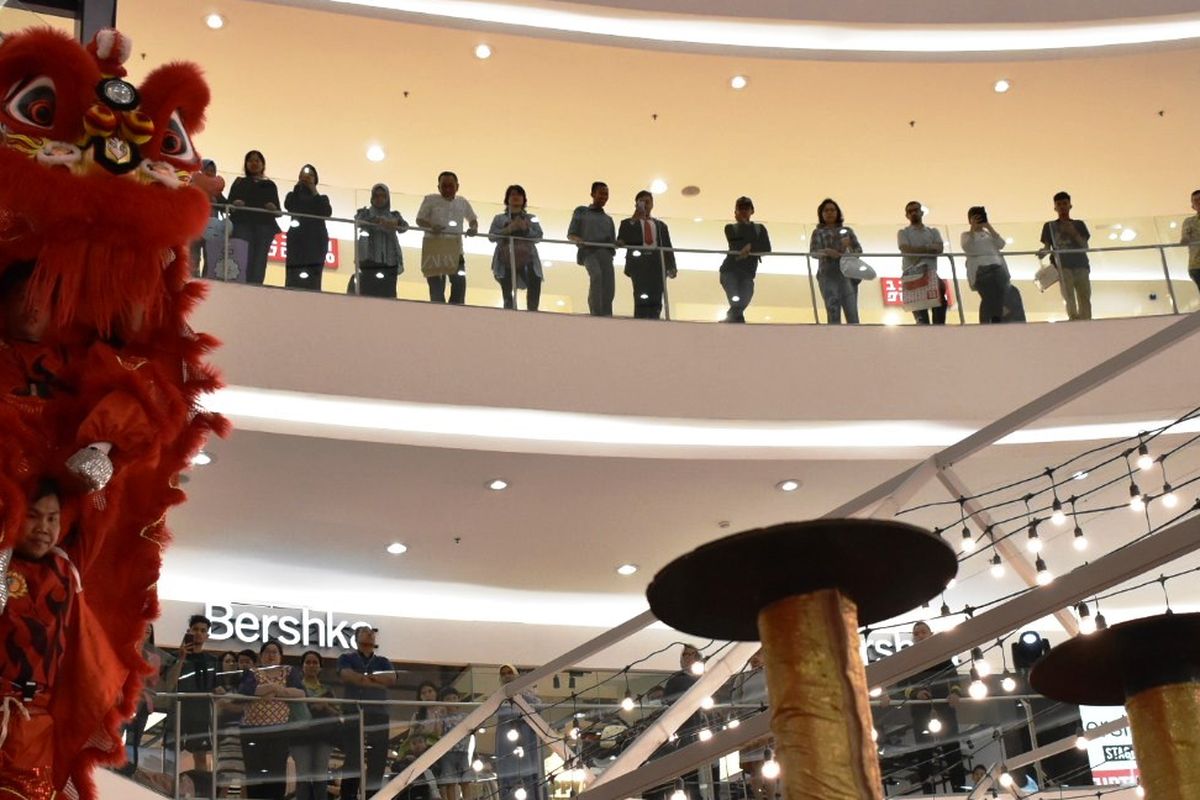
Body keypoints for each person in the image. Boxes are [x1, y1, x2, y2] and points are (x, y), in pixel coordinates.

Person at [0, 480, 76, 798]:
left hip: (35, 726)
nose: (43, 527)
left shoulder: (67, 572)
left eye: (52, 518)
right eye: (33, 516)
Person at [897, 621, 965, 795]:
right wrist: (915, 694)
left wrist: (955, 693)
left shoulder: (942, 655)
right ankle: (928, 794)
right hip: (920, 712)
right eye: (916, 633)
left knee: (952, 750)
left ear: (931, 634)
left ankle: (961, 792)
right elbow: (900, 687)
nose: (920, 636)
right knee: (924, 755)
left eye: (923, 632)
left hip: (945, 709)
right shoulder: (907, 660)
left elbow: (955, 680)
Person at [238, 640, 304, 800]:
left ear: (281, 656)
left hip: (278, 730)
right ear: (261, 656)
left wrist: (273, 690)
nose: (271, 655)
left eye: (275, 652)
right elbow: (246, 692)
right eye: (267, 652)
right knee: (254, 773)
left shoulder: (289, 671)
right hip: (252, 730)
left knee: (276, 773)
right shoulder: (252, 672)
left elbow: (300, 693)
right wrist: (275, 689)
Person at [338, 626, 397, 800]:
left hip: (378, 714)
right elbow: (346, 675)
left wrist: (362, 679)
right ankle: (348, 795)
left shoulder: (383, 661)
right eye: (364, 631)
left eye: (372, 632)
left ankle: (374, 796)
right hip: (354, 713)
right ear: (356, 638)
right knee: (353, 757)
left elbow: (391, 678)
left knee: (378, 759)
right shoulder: (346, 658)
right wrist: (376, 680)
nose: (370, 633)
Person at [166, 613, 224, 775]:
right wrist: (182, 658)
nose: (198, 633)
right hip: (178, 712)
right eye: (195, 629)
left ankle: (201, 791)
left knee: (200, 756)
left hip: (202, 714)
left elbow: (216, 686)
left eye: (202, 630)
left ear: (207, 635)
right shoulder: (174, 657)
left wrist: (219, 691)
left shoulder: (212, 660)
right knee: (172, 755)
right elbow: (170, 684)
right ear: (189, 631)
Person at [416, 171, 478, 304]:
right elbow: (419, 219)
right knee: (436, 290)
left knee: (459, 286)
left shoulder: (462, 202)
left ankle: (455, 314)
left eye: (451, 186)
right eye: (444, 186)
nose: (448, 189)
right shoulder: (430, 199)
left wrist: (473, 228)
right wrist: (431, 226)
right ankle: (439, 314)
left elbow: (472, 219)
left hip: (456, 250)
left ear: (457, 186)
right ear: (438, 187)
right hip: (434, 249)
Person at [618, 190, 677, 319]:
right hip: (639, 263)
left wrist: (671, 266)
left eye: (648, 201)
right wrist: (635, 216)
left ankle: (655, 320)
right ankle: (640, 321)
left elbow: (667, 246)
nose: (646, 204)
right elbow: (622, 238)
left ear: (652, 204)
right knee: (640, 294)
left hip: (657, 263)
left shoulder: (661, 226)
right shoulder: (628, 223)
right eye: (642, 202)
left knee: (657, 294)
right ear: (636, 204)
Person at [226, 150, 282, 285]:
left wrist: (272, 208)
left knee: (260, 259)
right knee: (242, 257)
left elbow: (278, 212)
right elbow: (228, 206)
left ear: (263, 164)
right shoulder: (240, 182)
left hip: (264, 226)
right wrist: (234, 204)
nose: (254, 163)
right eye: (250, 160)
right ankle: (240, 285)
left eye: (257, 160)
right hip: (242, 224)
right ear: (246, 164)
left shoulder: (270, 184)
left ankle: (256, 287)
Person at [291, 650, 339, 800]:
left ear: (320, 667)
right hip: (300, 738)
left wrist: (324, 706)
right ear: (302, 666)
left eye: (315, 662)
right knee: (303, 777)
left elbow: (337, 714)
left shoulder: (328, 691)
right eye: (308, 662)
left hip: (323, 738)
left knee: (320, 777)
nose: (311, 665)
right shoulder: (295, 689)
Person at [489, 185, 545, 311]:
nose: (515, 197)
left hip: (528, 257)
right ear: (507, 199)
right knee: (507, 286)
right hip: (506, 258)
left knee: (534, 281)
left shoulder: (531, 218)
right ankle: (509, 311)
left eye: (519, 194)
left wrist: (526, 229)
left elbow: (539, 236)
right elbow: (491, 236)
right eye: (512, 194)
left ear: (524, 199)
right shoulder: (499, 218)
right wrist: (509, 229)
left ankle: (533, 311)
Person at [1039, 191, 1092, 320]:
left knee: (1084, 294)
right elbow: (1047, 247)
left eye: (1064, 203)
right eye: (1059, 204)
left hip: (1081, 264)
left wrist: (1072, 231)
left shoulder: (1079, 224)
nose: (1062, 206)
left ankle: (1086, 320)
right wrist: (1043, 252)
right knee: (1068, 296)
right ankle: (1073, 319)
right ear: (1055, 207)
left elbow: (1085, 246)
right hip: (1062, 266)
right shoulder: (1049, 226)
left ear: (1070, 205)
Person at [808, 198, 863, 324]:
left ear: (838, 212)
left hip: (847, 273)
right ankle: (835, 339)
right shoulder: (818, 232)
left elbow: (858, 251)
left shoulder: (847, 231)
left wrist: (848, 248)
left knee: (852, 312)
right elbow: (813, 252)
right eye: (826, 210)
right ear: (821, 214)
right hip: (828, 273)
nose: (830, 213)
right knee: (833, 310)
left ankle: (856, 339)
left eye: (832, 210)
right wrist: (826, 252)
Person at [568, 182, 618, 317]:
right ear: (592, 194)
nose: (604, 197)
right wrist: (577, 240)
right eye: (601, 193)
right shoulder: (581, 211)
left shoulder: (608, 219)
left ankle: (607, 315)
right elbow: (571, 233)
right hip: (588, 251)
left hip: (606, 254)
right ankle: (595, 314)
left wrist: (617, 243)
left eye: (606, 194)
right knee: (596, 275)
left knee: (609, 286)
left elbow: (612, 241)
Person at [495, 664, 544, 800]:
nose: (506, 676)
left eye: (509, 672)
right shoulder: (498, 695)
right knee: (509, 774)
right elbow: (499, 713)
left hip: (526, 736)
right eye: (503, 674)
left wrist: (520, 699)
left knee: (529, 773)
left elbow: (538, 707)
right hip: (506, 737)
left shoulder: (525, 693)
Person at [719, 197, 772, 323]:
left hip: (748, 273)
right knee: (736, 299)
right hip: (729, 270)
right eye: (740, 209)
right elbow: (736, 246)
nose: (743, 211)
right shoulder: (730, 228)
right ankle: (736, 319)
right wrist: (751, 241)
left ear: (752, 210)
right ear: (735, 212)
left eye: (746, 208)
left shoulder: (760, 228)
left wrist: (751, 246)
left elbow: (767, 248)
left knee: (746, 296)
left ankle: (733, 318)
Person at [354, 183, 410, 298]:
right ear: (372, 198)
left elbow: (404, 227)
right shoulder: (365, 213)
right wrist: (378, 221)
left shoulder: (394, 215)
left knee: (388, 294)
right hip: (369, 260)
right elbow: (358, 221)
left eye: (383, 196)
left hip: (389, 261)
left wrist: (394, 223)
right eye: (376, 196)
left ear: (387, 198)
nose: (379, 199)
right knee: (368, 293)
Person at [283, 164, 332, 292]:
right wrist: (298, 187)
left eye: (311, 175)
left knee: (314, 275)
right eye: (304, 175)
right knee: (293, 274)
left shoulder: (322, 198)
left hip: (316, 241)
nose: (307, 177)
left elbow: (326, 212)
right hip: (297, 239)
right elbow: (289, 205)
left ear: (316, 179)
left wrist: (313, 190)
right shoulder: (293, 195)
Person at [898, 201, 947, 324]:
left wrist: (916, 251)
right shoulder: (903, 233)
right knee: (921, 319)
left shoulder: (933, 231)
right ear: (907, 215)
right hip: (912, 277)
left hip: (931, 274)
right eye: (910, 211)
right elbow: (906, 250)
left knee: (940, 310)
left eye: (916, 210)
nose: (913, 213)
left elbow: (939, 249)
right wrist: (928, 248)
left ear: (922, 212)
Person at [960, 206, 1011, 324]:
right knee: (989, 296)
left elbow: (1001, 244)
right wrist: (973, 228)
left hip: (997, 267)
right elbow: (967, 247)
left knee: (999, 295)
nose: (979, 220)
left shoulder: (989, 234)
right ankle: (993, 319)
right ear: (970, 219)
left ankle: (994, 319)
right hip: (981, 270)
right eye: (975, 217)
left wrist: (988, 226)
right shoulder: (966, 235)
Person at [215, 651, 248, 797]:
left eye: (233, 661)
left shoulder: (242, 685)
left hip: (242, 731)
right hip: (224, 733)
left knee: (244, 774)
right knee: (225, 772)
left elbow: (246, 707)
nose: (230, 664)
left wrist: (226, 702)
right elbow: (217, 709)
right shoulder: (215, 685)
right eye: (227, 661)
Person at [189, 159, 227, 278]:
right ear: (202, 170)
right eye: (208, 170)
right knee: (193, 253)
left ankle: (207, 278)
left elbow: (225, 203)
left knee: (209, 254)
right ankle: (192, 277)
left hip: (211, 227)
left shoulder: (217, 191)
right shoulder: (193, 182)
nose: (210, 172)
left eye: (213, 170)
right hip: (195, 225)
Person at [433, 686, 473, 800]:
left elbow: (472, 729)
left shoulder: (465, 716)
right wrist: (438, 717)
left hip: (463, 751)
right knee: (450, 782)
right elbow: (438, 733)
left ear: (458, 699)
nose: (452, 701)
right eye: (448, 699)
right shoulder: (442, 717)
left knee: (465, 781)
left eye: (454, 698)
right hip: (448, 753)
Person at [1179, 188, 1200, 292]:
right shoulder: (1189, 222)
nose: (1199, 202)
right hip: (1196, 265)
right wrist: (1186, 237)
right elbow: (1184, 241)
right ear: (1192, 205)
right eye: (1195, 200)